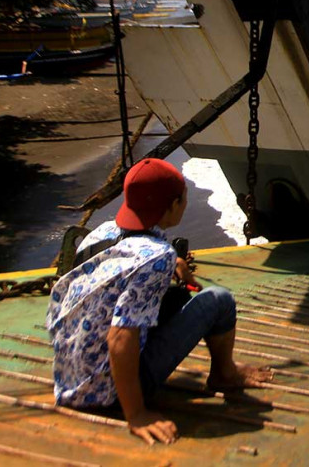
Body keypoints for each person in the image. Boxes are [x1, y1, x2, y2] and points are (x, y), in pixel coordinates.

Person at [46, 158, 271, 445]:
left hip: (70, 381)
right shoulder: (155, 257)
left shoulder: (101, 233)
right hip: (107, 393)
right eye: (183, 199)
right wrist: (136, 414)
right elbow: (119, 338)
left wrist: (175, 262)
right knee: (219, 300)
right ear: (173, 206)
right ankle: (224, 374)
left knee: (177, 295)